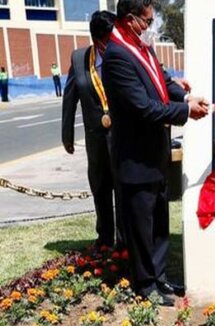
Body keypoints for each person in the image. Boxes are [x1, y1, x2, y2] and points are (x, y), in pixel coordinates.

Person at [102, 0, 208, 305]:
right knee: (141, 226)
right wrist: (185, 110)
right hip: (135, 157)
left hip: (156, 152)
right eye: (148, 21)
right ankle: (145, 284)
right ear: (131, 19)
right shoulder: (117, 55)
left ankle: (160, 278)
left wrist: (186, 95)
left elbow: (161, 81)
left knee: (160, 221)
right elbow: (142, 107)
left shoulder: (140, 47)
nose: (151, 27)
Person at [62, 11, 123, 249]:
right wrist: (67, 135)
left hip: (122, 138)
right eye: (111, 39)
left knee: (122, 188)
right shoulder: (79, 59)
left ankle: (124, 240)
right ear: (99, 40)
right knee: (100, 188)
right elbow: (70, 98)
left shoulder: (123, 56)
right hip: (95, 139)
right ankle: (105, 238)